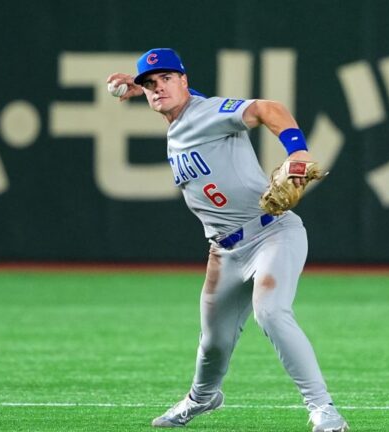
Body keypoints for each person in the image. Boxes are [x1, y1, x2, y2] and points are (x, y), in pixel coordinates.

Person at [107, 48, 349, 432]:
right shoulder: (183, 119)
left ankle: (324, 410)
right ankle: (201, 399)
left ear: (184, 80)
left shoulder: (205, 112)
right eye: (150, 84)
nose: (158, 88)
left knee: (270, 312)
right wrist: (146, 89)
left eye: (167, 78)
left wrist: (297, 149)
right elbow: (186, 103)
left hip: (271, 232)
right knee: (213, 343)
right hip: (224, 252)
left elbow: (268, 108)